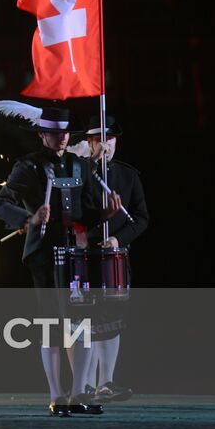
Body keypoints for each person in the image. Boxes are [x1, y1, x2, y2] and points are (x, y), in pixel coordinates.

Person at [0, 102, 104, 416]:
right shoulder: (28, 166)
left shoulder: (80, 166)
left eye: (65, 132)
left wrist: (105, 214)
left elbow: (87, 211)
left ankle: (78, 393)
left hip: (77, 255)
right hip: (43, 253)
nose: (62, 137)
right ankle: (56, 395)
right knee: (53, 324)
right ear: (42, 135)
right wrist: (30, 217)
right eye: (54, 133)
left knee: (80, 324)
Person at [73, 114, 148, 403]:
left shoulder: (128, 175)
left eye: (110, 139)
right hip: (84, 254)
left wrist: (118, 239)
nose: (106, 145)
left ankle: (106, 382)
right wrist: (91, 165)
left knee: (111, 319)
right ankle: (85, 383)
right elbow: (71, 207)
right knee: (85, 320)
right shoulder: (79, 172)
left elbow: (141, 218)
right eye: (99, 139)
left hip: (113, 253)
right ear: (90, 142)